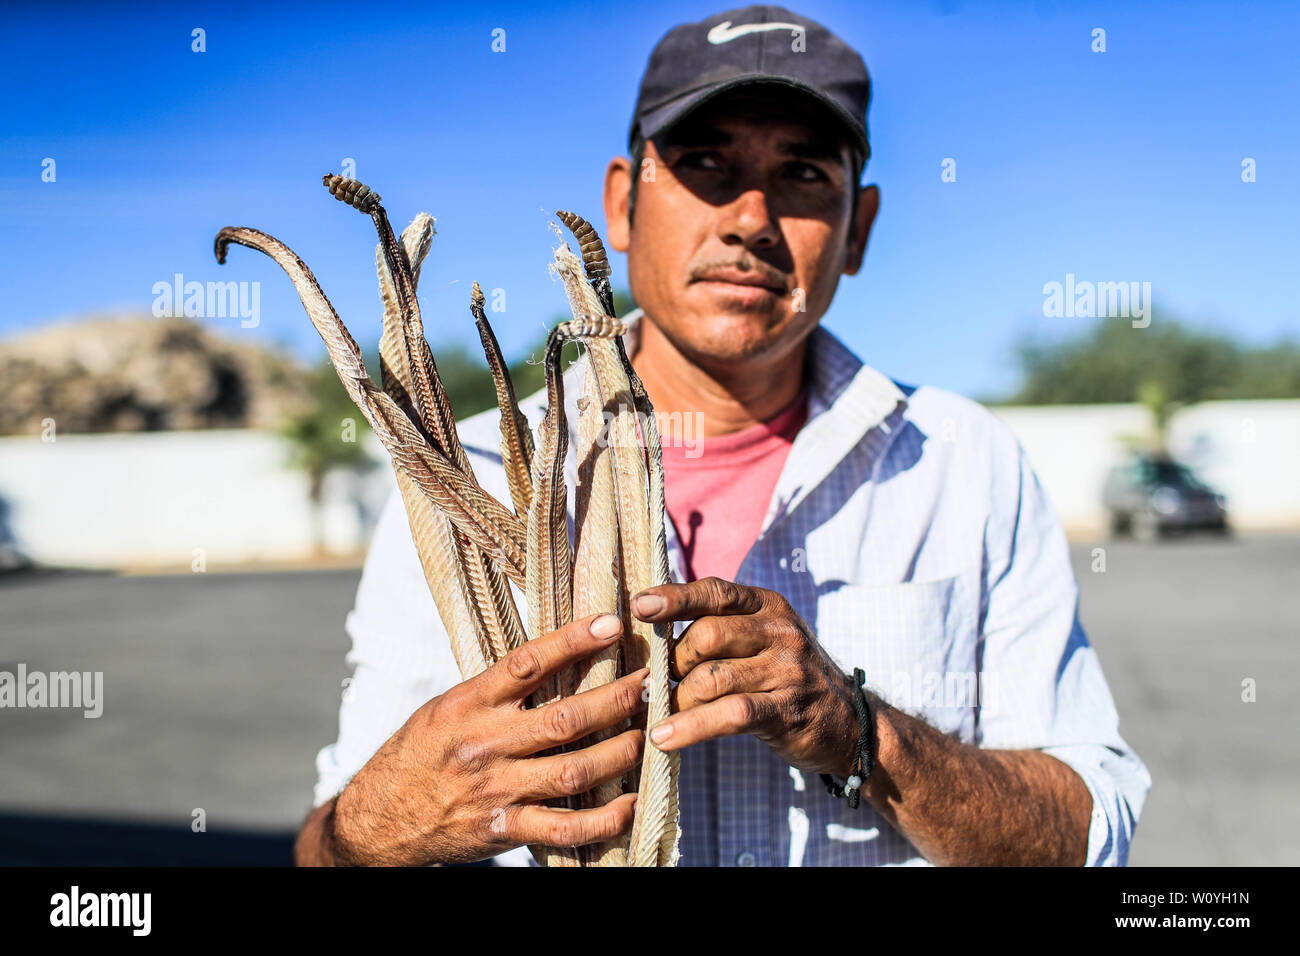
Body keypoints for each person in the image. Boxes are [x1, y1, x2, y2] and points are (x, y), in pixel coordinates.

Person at [295, 4, 1149, 867]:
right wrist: (380, 822)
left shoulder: (964, 464)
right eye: (704, 164)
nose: (750, 218)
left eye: (804, 172)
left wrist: (860, 733)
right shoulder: (462, 477)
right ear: (622, 204)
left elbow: (1083, 838)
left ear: (859, 228)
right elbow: (322, 851)